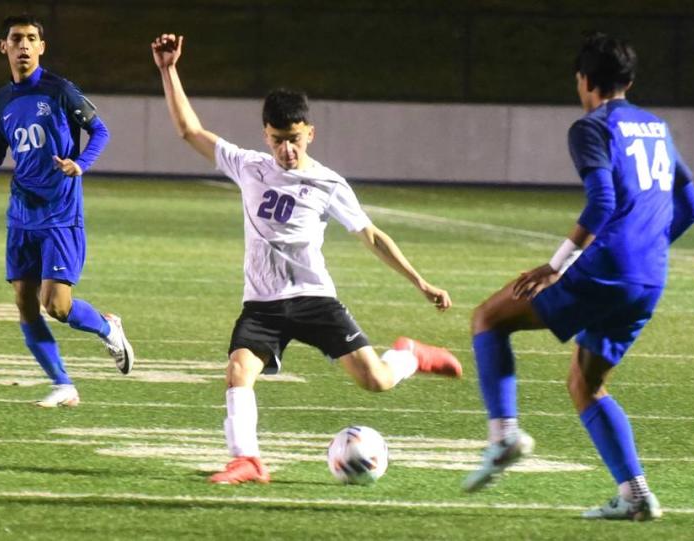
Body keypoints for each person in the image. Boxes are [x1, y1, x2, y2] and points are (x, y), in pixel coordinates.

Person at [151, 33, 463, 484]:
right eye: (278, 140)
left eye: (295, 139)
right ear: (266, 135)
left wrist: (421, 282)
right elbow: (189, 131)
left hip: (314, 298)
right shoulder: (248, 166)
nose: (287, 150)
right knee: (239, 370)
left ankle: (410, 355)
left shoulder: (328, 184)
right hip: (263, 303)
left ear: (309, 133)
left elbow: (371, 236)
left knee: (375, 380)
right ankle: (249, 460)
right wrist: (168, 70)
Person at [462, 32, 694, 521]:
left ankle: (504, 436)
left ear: (585, 80)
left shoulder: (591, 127)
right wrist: (646, 250)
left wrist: (555, 267)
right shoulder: (656, 127)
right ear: (629, 82)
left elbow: (603, 202)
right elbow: (691, 206)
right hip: (650, 277)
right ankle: (636, 495)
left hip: (608, 267)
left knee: (489, 317)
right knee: (586, 383)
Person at [0, 14, 133, 408]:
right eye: (16, 39)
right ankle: (63, 384)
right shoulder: (1, 100)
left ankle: (107, 326)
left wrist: (81, 163)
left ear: (42, 47)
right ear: (3, 47)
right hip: (21, 213)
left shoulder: (61, 90)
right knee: (24, 302)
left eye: (32, 39)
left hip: (60, 213)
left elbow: (101, 131)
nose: (24, 45)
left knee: (56, 305)